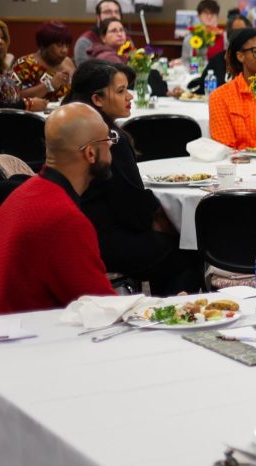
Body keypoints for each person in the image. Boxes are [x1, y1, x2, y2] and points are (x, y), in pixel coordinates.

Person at [63, 61, 203, 295]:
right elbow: (131, 206)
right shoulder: (108, 139)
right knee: (188, 251)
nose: (129, 96)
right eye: (120, 91)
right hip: (104, 241)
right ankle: (172, 316)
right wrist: (162, 220)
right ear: (97, 99)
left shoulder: (68, 126)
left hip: (75, 235)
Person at [0, 103, 117, 314]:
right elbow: (104, 309)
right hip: (30, 341)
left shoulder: (23, 194)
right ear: (90, 154)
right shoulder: (63, 219)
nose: (112, 145)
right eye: (108, 139)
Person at [188, 13, 256, 95]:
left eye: (243, 32)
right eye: (235, 32)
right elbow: (201, 88)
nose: (239, 36)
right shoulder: (218, 60)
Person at [12, 21, 75, 102]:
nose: (64, 50)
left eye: (67, 46)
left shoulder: (68, 62)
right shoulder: (25, 64)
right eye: (59, 45)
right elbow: (14, 96)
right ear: (43, 45)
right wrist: (49, 85)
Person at [74, 0, 123, 66]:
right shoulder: (85, 41)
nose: (114, 15)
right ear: (98, 17)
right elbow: (84, 72)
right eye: (108, 12)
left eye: (117, 12)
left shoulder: (124, 37)